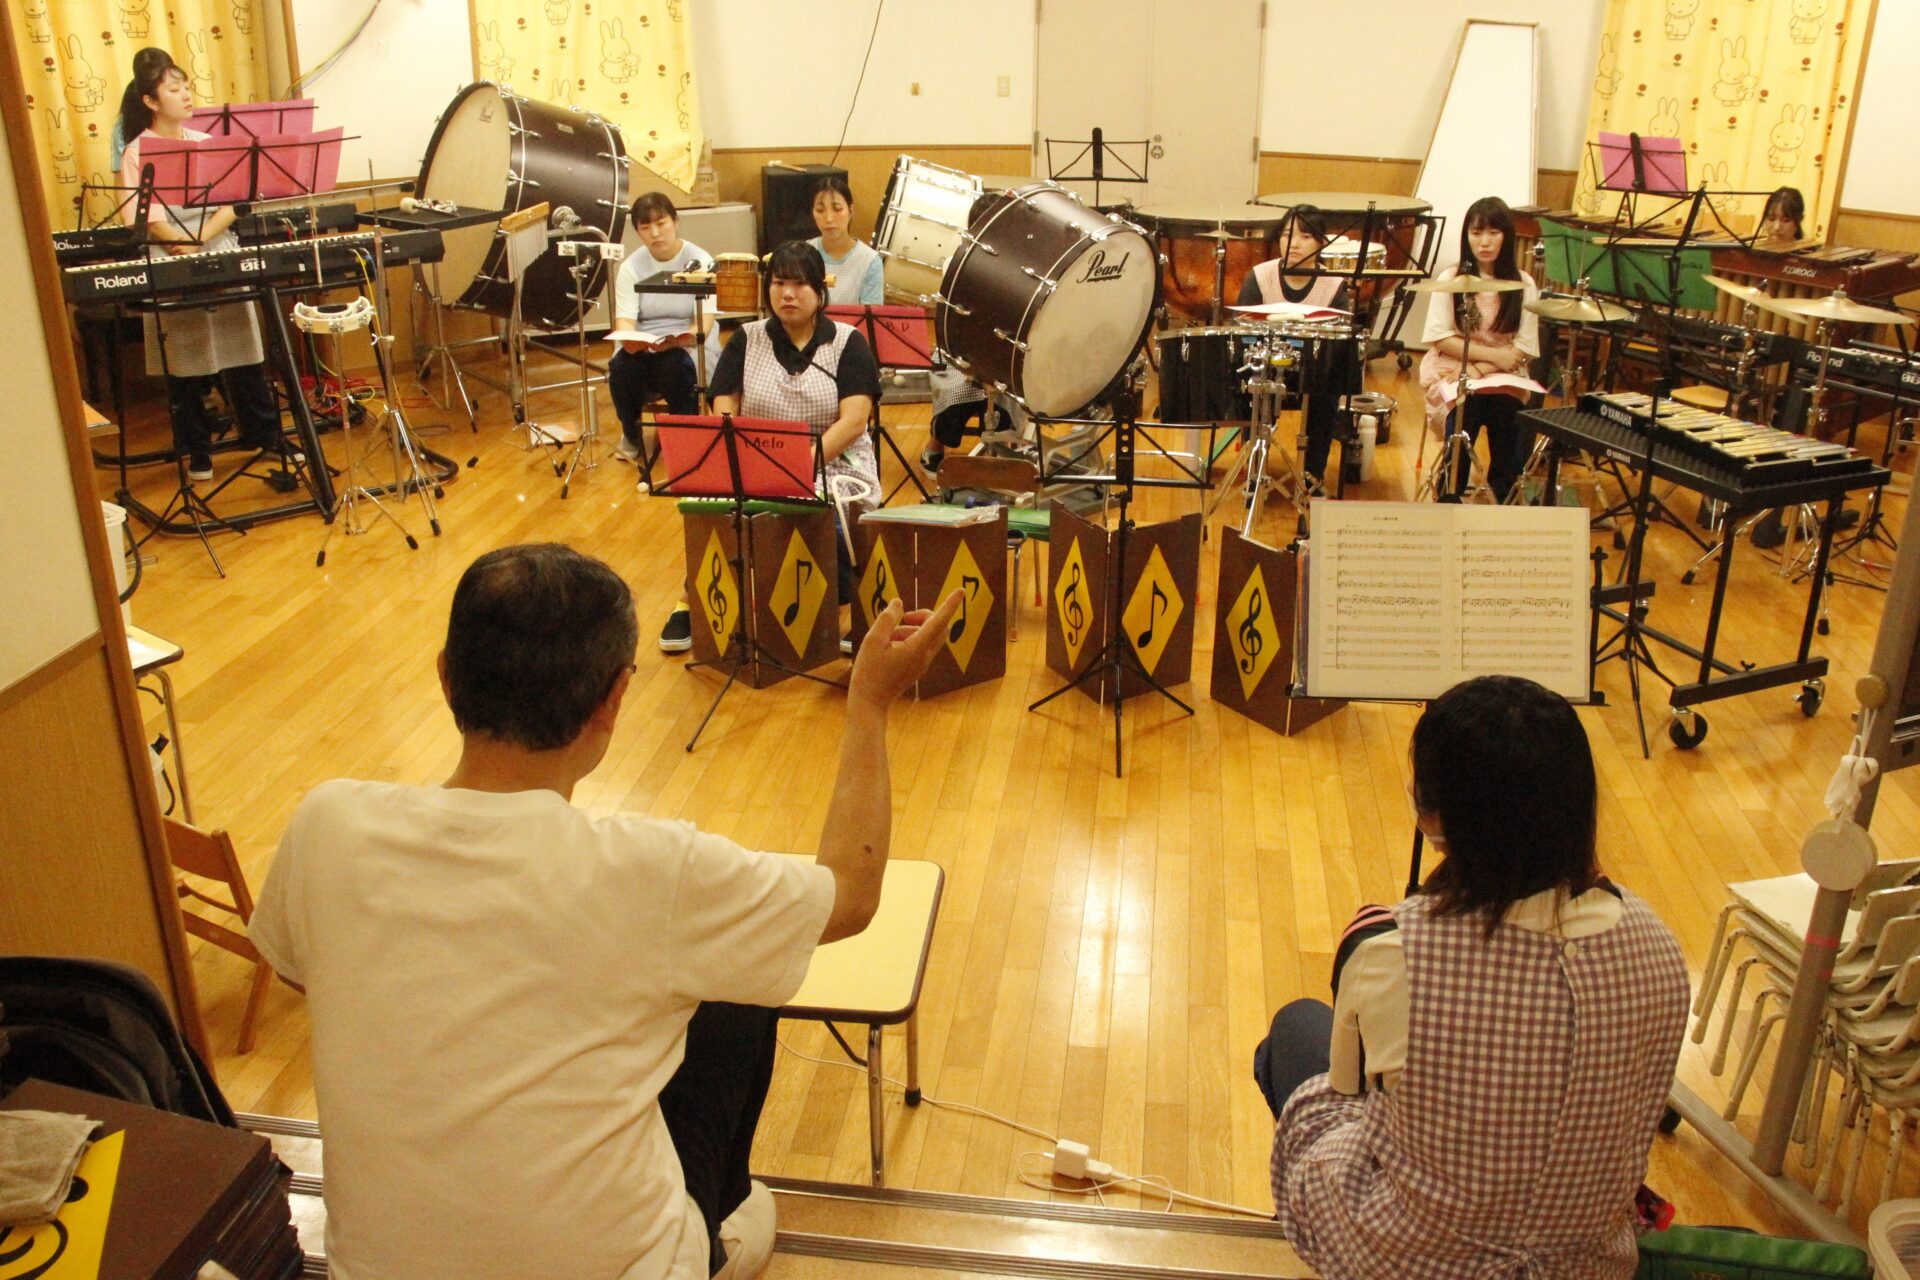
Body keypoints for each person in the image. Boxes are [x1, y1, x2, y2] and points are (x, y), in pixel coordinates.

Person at [249, 542, 962, 1280]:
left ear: (445, 674)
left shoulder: (326, 823)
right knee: (732, 1001)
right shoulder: (653, 871)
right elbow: (850, 894)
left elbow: (306, 973)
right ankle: (714, 1239)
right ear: (614, 699)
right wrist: (868, 702)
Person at [1254, 675, 1688, 1280]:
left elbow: (1350, 1093)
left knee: (1294, 1028)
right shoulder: (1658, 943)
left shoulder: (1387, 946)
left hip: (1414, 1260)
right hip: (1586, 1265)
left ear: (1437, 815)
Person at [117, 47, 289, 482]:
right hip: (170, 253)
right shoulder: (136, 152)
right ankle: (198, 450)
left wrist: (202, 239)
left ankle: (265, 435)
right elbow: (142, 216)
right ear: (150, 101)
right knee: (185, 355)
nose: (186, 95)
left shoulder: (207, 143)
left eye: (187, 86)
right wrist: (183, 243)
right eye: (174, 89)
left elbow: (233, 202)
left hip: (213, 245)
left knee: (244, 346)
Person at [706, 241, 882, 613]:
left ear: (820, 291)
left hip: (834, 463)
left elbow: (853, 422)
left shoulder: (848, 342)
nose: (788, 293)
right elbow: (724, 409)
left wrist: (801, 465)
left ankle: (834, 611)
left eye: (800, 284)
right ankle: (699, 602)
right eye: (779, 283)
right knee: (710, 512)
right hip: (760, 462)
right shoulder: (745, 339)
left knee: (820, 513)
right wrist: (749, 460)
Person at [1418, 195, 1541, 502]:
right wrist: (1488, 359)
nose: (1484, 242)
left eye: (1493, 233)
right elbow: (1440, 337)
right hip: (1453, 364)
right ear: (1467, 236)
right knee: (1465, 410)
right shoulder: (1451, 278)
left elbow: (1525, 346)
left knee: (1506, 414)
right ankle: (1450, 492)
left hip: (1504, 372)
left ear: (1506, 236)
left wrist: (1482, 368)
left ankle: (1505, 493)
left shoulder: (1524, 283)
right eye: (1476, 233)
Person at [1233, 204, 1361, 491]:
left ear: (1321, 243)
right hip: (1266, 365)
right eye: (1287, 234)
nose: (1293, 243)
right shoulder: (1260, 276)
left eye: (1305, 236)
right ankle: (1255, 473)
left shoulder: (1333, 284)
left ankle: (1313, 476)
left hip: (1313, 371)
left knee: (1327, 395)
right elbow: (1241, 331)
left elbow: (1339, 339)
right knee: (1252, 388)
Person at [609, 192, 711, 468]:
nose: (655, 233)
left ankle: (685, 437)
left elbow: (705, 320)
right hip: (647, 340)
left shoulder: (699, 259)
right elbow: (625, 320)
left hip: (685, 341)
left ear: (675, 221)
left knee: (676, 366)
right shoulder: (631, 267)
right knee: (621, 367)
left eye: (661, 223)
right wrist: (629, 339)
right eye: (645, 227)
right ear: (638, 232)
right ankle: (631, 434)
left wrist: (681, 338)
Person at [807, 175, 885, 306]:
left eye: (837, 209)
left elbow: (871, 314)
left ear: (850, 211)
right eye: (820, 210)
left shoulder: (870, 261)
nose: (829, 218)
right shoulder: (804, 254)